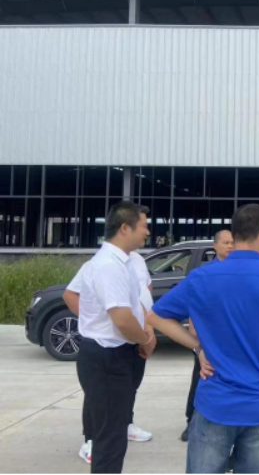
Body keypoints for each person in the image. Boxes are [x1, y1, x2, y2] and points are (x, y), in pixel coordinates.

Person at [147, 204, 259, 475]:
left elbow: (156, 317)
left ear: (235, 233)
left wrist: (197, 347)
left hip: (215, 403)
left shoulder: (202, 277)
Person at [71, 202, 156, 475]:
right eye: (143, 226)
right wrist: (145, 340)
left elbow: (134, 306)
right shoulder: (109, 266)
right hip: (107, 358)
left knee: (115, 436)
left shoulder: (125, 263)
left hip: (117, 355)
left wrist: (146, 331)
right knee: (109, 441)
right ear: (124, 228)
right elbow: (122, 319)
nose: (147, 232)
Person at [181, 229, 235, 443]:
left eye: (232, 243)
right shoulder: (204, 273)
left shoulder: (237, 271)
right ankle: (191, 421)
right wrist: (194, 331)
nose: (230, 246)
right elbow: (193, 304)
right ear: (215, 246)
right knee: (200, 378)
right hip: (207, 339)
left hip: (231, 338)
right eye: (225, 243)